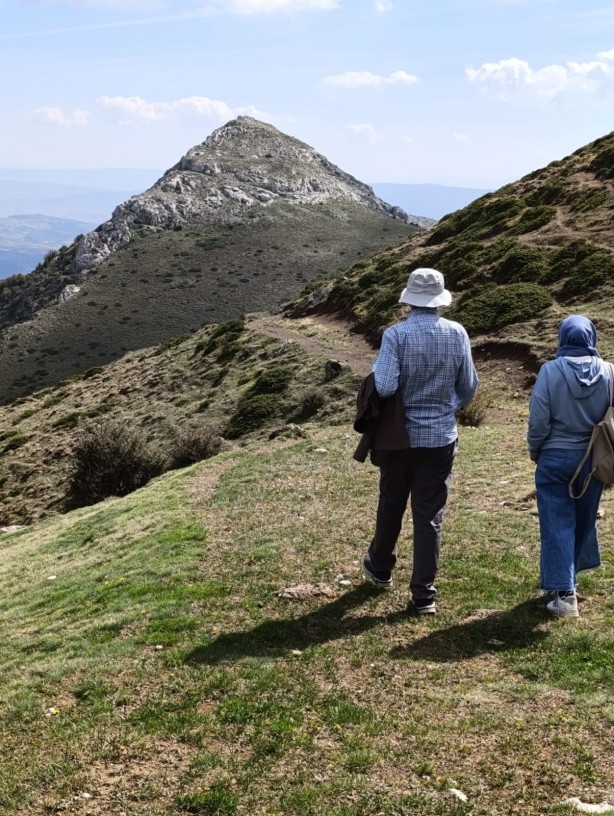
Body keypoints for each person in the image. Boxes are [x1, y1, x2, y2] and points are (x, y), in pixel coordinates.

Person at [363, 267, 479, 614]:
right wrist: (449, 408)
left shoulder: (396, 335)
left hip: (399, 437)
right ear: (439, 300)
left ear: (409, 299)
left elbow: (385, 386)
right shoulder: (457, 333)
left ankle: (380, 568)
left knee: (391, 502)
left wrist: (378, 370)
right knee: (430, 515)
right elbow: (468, 386)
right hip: (440, 437)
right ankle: (423, 595)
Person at [528, 315, 608, 618]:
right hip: (594, 460)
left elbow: (539, 419)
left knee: (556, 523)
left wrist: (535, 450)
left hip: (555, 456)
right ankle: (568, 579)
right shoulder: (610, 372)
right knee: (584, 519)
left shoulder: (550, 371)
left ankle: (564, 593)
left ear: (563, 338)